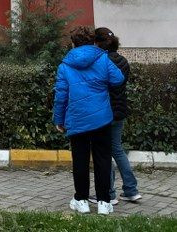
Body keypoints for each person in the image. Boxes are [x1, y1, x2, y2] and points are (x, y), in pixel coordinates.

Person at [53, 26, 124, 216]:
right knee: (102, 160)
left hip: (77, 120)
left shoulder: (65, 65)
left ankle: (81, 201)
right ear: (93, 41)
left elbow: (61, 96)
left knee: (80, 161)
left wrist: (59, 119)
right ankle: (104, 203)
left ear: (73, 43)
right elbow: (118, 79)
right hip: (102, 119)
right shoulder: (103, 58)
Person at [95, 27, 141, 204]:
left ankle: (109, 193)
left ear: (97, 43)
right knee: (117, 150)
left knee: (104, 152)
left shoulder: (101, 61)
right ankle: (131, 190)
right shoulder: (123, 61)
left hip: (104, 111)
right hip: (120, 110)